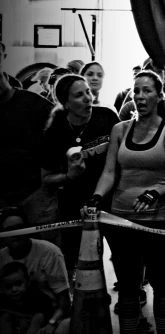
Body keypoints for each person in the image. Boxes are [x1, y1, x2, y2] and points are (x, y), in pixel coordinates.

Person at [85, 70, 165, 334]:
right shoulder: (120, 130)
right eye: (136, 91)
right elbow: (109, 172)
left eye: (146, 91)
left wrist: (157, 192)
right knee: (128, 286)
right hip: (121, 220)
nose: (140, 97)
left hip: (158, 221)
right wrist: (97, 196)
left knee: (163, 285)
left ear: (158, 96)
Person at [40, 74, 119, 274]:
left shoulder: (107, 117)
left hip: (109, 197)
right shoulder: (55, 131)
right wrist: (69, 176)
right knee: (78, 257)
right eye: (79, 95)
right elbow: (46, 178)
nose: (88, 98)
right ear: (66, 103)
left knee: (119, 252)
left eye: (88, 92)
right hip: (73, 203)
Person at [0, 49, 57, 245]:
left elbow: (55, 147)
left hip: (35, 193)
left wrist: (48, 183)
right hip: (3, 195)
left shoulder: (34, 105)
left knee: (46, 250)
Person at [0, 208, 70, 334]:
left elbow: (64, 301)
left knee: (62, 332)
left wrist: (52, 323)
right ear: (3, 235)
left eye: (20, 228)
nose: (16, 234)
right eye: (10, 230)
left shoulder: (49, 252)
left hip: (46, 314)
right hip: (12, 315)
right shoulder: (1, 257)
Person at [0, 262, 56, 334]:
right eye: (8, 286)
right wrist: (20, 318)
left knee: (38, 317)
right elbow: (4, 310)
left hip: (37, 328)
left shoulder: (37, 296)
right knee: (5, 317)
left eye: (18, 284)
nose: (14, 289)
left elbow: (47, 314)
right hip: (16, 325)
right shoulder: (4, 299)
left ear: (27, 281)